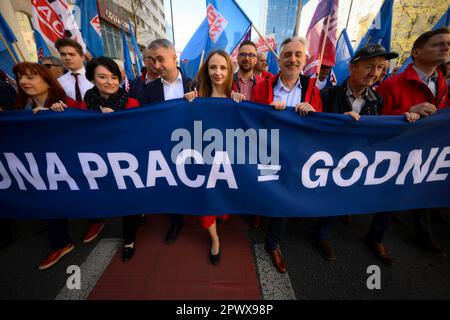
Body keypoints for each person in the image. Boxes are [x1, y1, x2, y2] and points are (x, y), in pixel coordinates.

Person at [316, 44, 418, 265]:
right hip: (328, 159)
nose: (375, 73)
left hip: (356, 161)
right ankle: (317, 231)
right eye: (370, 66)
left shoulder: (376, 100)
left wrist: (406, 118)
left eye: (381, 67)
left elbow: (380, 130)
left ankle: (322, 234)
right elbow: (315, 129)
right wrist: (339, 122)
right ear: (353, 68)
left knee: (340, 200)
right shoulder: (328, 94)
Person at [51, 57, 141, 261]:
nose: (109, 82)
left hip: (126, 163)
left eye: (114, 77)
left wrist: (115, 122)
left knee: (130, 203)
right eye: (103, 77)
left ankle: (129, 240)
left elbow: (138, 134)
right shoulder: (85, 104)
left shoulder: (132, 103)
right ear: (92, 79)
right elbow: (76, 128)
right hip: (98, 163)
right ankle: (97, 221)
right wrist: (54, 110)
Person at [378, 27, 450, 257]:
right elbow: (377, 121)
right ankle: (376, 237)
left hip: (430, 152)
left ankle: (424, 236)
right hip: (398, 152)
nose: (445, 48)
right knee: (390, 195)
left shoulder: (442, 83)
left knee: (425, 193)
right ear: (416, 52)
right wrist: (406, 112)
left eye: (447, 44)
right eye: (438, 44)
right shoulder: (392, 85)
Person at [11, 62, 85, 270]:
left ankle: (95, 220)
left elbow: (85, 132)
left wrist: (56, 116)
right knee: (50, 199)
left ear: (47, 81)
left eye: (31, 77)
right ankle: (61, 243)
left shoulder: (67, 104)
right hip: (38, 168)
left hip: (71, 164)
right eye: (20, 78)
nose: (24, 82)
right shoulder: (18, 109)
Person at [265, 36, 323, 274]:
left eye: (298, 54)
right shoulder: (263, 87)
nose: (292, 59)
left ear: (305, 60)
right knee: (265, 191)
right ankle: (259, 215)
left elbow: (320, 124)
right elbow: (249, 122)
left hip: (296, 156)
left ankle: (272, 243)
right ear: (279, 61)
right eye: (287, 54)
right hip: (267, 153)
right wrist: (269, 111)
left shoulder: (312, 89)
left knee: (285, 199)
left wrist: (313, 111)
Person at [184, 50, 245, 265]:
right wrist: (188, 103)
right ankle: (215, 239)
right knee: (207, 202)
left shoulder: (236, 97)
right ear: (206, 70)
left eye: (222, 67)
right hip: (203, 160)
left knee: (222, 202)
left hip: (228, 161)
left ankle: (221, 215)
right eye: (213, 67)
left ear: (229, 71)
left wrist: (241, 105)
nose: (217, 72)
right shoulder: (196, 97)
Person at [142, 39, 193, 245]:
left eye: (161, 59)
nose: (156, 65)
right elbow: (144, 119)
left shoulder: (195, 83)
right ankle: (176, 220)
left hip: (192, 146)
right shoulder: (149, 89)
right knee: (168, 185)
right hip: (163, 147)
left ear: (174, 57)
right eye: (153, 61)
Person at [232, 40, 272, 229]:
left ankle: (255, 210)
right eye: (243, 54)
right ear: (237, 58)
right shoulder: (226, 81)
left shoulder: (267, 84)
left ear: (256, 59)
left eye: (251, 55)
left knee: (257, 176)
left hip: (258, 138)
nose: (247, 58)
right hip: (233, 136)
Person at [55, 37, 94, 103]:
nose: (67, 58)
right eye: (63, 54)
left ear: (83, 58)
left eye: (71, 54)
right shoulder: (59, 82)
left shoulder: (96, 77)